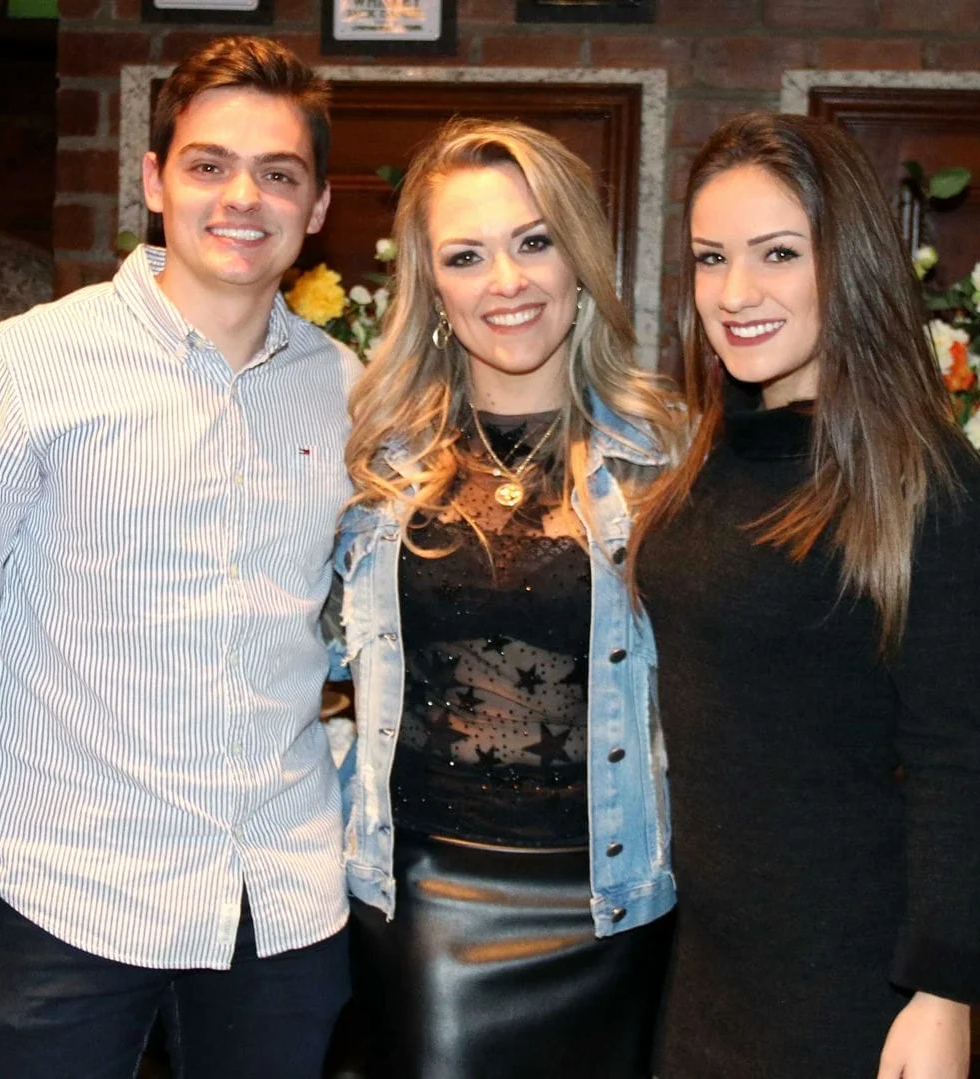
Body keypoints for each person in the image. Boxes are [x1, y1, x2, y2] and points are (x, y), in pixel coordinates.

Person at [0, 36, 359, 1079]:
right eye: (209, 164)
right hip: (63, 898)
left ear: (316, 207)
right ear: (154, 181)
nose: (243, 197)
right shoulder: (26, 368)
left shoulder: (349, 390)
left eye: (279, 174)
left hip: (277, 900)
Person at [631, 112, 980, 1079]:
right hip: (701, 964)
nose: (735, 293)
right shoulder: (705, 456)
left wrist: (942, 994)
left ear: (850, 263)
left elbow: (953, 760)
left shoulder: (925, 480)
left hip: (847, 978)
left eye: (778, 253)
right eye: (711, 258)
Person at [334, 117, 684, 1079]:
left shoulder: (666, 459)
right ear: (432, 286)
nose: (506, 281)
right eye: (466, 255)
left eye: (535, 241)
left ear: (580, 261)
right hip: (430, 901)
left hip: (618, 901)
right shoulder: (373, 463)